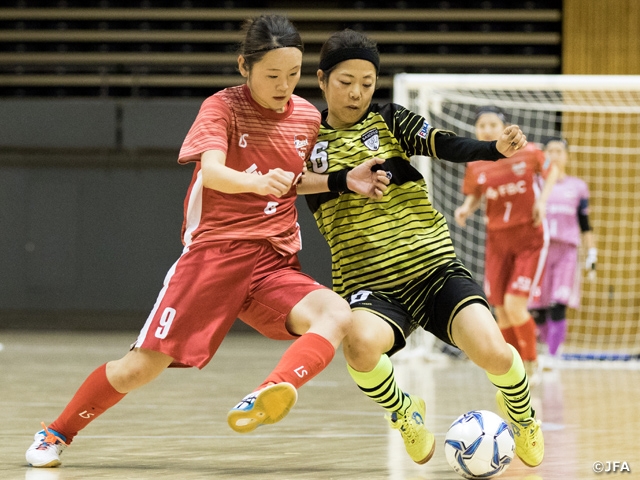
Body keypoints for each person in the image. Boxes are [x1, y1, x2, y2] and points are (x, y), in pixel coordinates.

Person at [24, 15, 378, 468]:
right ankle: (56, 432)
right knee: (138, 369)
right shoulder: (222, 107)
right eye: (272, 75)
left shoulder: (307, 116)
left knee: (336, 313)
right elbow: (212, 172)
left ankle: (273, 389)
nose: (283, 85)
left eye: (292, 74)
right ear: (243, 66)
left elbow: (291, 180)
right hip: (214, 256)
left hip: (272, 263)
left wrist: (343, 180)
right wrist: (258, 184)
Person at [297, 29, 544, 468]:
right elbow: (287, 183)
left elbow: (442, 142)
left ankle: (523, 416)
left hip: (433, 269)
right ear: (321, 79)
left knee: (492, 349)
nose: (357, 92)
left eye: (367, 83)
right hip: (369, 284)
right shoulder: (304, 141)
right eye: (345, 81)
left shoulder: (391, 121)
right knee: (358, 347)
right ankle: (405, 412)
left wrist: (492, 149)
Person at [454, 106, 559, 382]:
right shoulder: (476, 162)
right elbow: (476, 194)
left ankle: (532, 363)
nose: (486, 129)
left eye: (492, 124)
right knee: (500, 310)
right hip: (497, 240)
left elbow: (553, 170)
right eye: (481, 125)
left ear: (503, 127)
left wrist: (543, 201)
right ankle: (515, 370)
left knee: (515, 306)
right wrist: (466, 208)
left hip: (529, 237)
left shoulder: (529, 151)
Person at [528, 137, 596, 368]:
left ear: (566, 156)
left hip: (566, 251)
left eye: (559, 151)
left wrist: (592, 254)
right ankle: (546, 351)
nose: (555, 155)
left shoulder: (577, 187)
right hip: (539, 251)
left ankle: (554, 356)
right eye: (550, 151)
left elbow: (585, 224)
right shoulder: (535, 182)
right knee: (537, 309)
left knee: (559, 303)